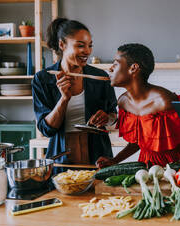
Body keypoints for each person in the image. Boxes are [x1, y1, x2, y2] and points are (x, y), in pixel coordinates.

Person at [32, 18, 117, 171]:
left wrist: (107, 117)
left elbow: (113, 116)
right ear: (62, 44)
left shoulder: (100, 77)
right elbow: (46, 129)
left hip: (99, 156)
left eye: (90, 45)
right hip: (61, 155)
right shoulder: (43, 79)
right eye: (80, 45)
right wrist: (64, 99)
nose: (88, 51)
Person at [96, 43, 180, 168]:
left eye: (115, 64)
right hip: (145, 164)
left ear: (133, 68)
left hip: (175, 163)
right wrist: (114, 160)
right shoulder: (123, 102)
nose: (110, 69)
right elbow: (139, 142)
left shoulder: (165, 100)